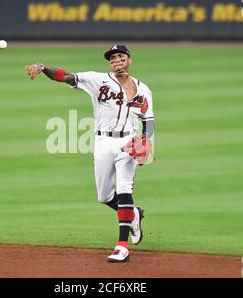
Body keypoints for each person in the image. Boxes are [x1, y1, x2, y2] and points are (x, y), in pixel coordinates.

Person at [26, 44, 154, 263]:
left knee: (124, 190)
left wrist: (145, 139)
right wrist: (42, 67)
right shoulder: (98, 80)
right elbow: (66, 76)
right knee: (104, 196)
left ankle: (122, 246)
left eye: (120, 57)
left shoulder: (143, 89)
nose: (116, 61)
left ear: (129, 60)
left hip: (127, 142)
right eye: (112, 58)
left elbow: (148, 119)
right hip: (103, 141)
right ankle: (133, 214)